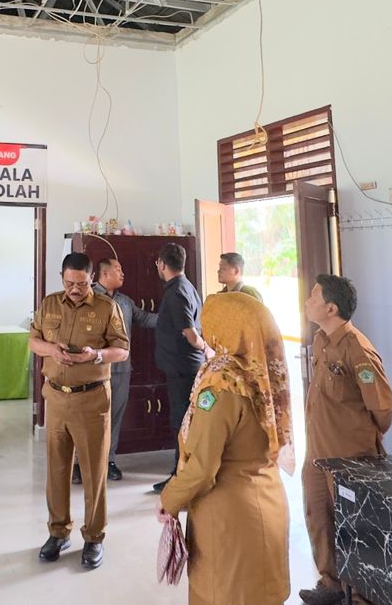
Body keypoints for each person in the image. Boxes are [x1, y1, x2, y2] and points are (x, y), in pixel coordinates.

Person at [159, 292, 293, 605]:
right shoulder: (264, 374)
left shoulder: (222, 385)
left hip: (230, 517)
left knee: (224, 594)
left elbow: (203, 467)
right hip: (269, 502)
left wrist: (170, 499)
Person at [28, 252, 129, 569]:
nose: (75, 289)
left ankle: (94, 536)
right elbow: (33, 341)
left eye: (82, 284)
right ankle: (58, 532)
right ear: (62, 277)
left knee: (93, 472)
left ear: (91, 279)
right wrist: (51, 349)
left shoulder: (106, 307)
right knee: (57, 471)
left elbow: (122, 350)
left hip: (91, 400)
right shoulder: (49, 304)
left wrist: (95, 355)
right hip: (56, 399)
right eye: (70, 283)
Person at [299, 274, 392, 605]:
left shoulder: (357, 348)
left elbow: (382, 409)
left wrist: (360, 440)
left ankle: (363, 594)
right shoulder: (321, 340)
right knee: (319, 518)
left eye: (314, 297)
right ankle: (332, 583)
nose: (307, 302)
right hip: (318, 452)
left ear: (331, 307)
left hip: (350, 457)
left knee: (356, 526)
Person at [137, 242, 206, 493]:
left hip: (182, 368)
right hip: (182, 366)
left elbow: (190, 332)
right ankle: (182, 474)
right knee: (184, 420)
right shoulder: (187, 286)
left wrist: (206, 348)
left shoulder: (177, 291)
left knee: (182, 422)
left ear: (162, 264)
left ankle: (180, 477)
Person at [81, 257, 136, 483]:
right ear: (104, 274)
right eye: (117, 269)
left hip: (121, 370)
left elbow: (144, 318)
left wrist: (176, 320)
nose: (122, 273)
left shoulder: (125, 302)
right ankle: (80, 463)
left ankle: (109, 460)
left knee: (114, 417)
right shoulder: (88, 298)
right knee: (88, 418)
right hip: (93, 370)